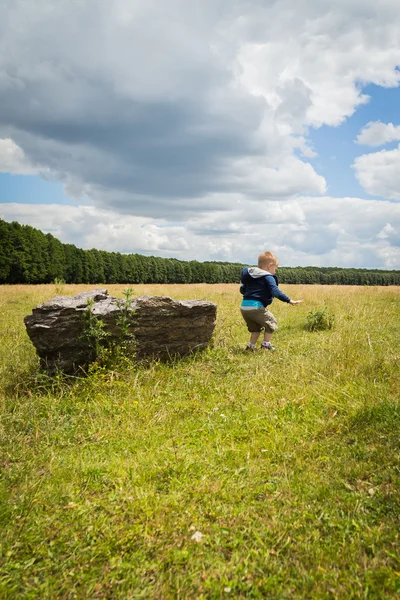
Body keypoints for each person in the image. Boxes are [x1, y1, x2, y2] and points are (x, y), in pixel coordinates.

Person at [240, 251, 302, 350]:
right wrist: (289, 300)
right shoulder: (268, 276)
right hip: (256, 307)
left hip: (244, 307)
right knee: (271, 323)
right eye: (275, 268)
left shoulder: (251, 275)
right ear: (269, 266)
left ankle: (251, 346)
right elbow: (275, 291)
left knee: (256, 328)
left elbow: (242, 289)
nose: (275, 271)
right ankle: (266, 345)